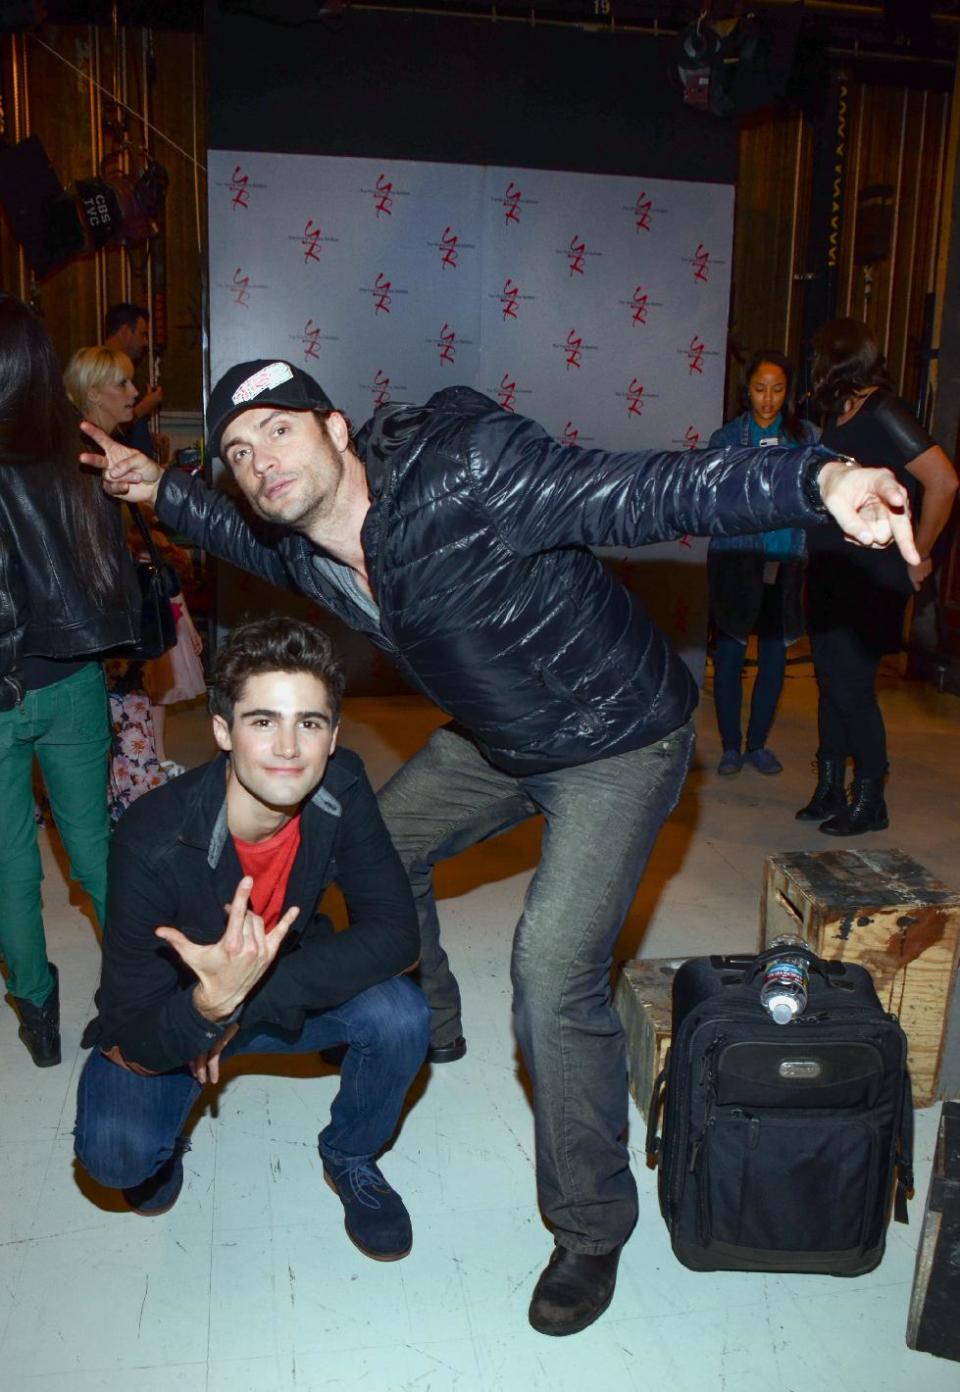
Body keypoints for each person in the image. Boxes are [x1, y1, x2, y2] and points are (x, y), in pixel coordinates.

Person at [82, 359, 919, 1335]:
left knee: (552, 969)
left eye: (277, 429)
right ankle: (427, 1021)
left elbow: (639, 490)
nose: (259, 459)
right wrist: (161, 490)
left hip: (618, 735)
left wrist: (814, 480)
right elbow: (240, 533)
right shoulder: (306, 544)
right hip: (502, 733)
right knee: (380, 841)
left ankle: (591, 1229)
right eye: (236, 449)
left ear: (337, 430)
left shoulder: (467, 475)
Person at [74, 616, 429, 1259]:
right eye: (263, 721)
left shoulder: (342, 787)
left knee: (402, 1013)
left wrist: (237, 1007)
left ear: (333, 736)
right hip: (177, 1011)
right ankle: (168, 1129)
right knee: (120, 1160)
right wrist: (204, 1010)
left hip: (266, 993)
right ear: (223, 731)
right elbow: (128, 1021)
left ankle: (350, 1156)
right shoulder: (152, 839)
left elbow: (396, 934)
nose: (289, 747)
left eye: (310, 723)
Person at [0, 295, 140, 1066]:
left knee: (9, 860)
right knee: (94, 847)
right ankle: (133, 987)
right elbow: (104, 578)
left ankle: (37, 1007)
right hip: (73, 683)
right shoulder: (80, 451)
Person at [797, 318, 958, 834]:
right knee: (830, 682)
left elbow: (944, 480)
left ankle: (871, 798)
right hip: (831, 569)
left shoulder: (884, 408)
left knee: (852, 690)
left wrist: (920, 552)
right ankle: (828, 787)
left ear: (835, 360)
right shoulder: (840, 412)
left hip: (869, 576)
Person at [708, 349, 818, 776]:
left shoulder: (806, 437)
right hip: (737, 557)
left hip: (786, 557)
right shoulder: (726, 439)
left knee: (774, 656)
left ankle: (757, 745)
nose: (768, 400)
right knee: (732, 654)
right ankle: (730, 747)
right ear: (746, 391)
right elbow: (714, 498)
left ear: (788, 393)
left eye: (777, 390)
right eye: (759, 389)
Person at [103, 302, 165, 461]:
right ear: (124, 332)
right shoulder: (102, 370)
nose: (145, 342)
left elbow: (122, 434)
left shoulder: (125, 368)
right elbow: (107, 427)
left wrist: (148, 438)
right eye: (142, 334)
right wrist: (145, 406)